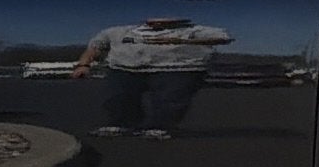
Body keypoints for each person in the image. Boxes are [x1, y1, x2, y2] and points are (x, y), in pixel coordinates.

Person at [71, 13, 232, 136]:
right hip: (125, 68)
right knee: (118, 96)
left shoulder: (196, 30)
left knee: (169, 100)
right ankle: (121, 124)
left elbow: (223, 38)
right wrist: (84, 64)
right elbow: (96, 46)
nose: (161, 19)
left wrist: (180, 41)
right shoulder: (119, 31)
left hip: (177, 69)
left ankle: (160, 127)